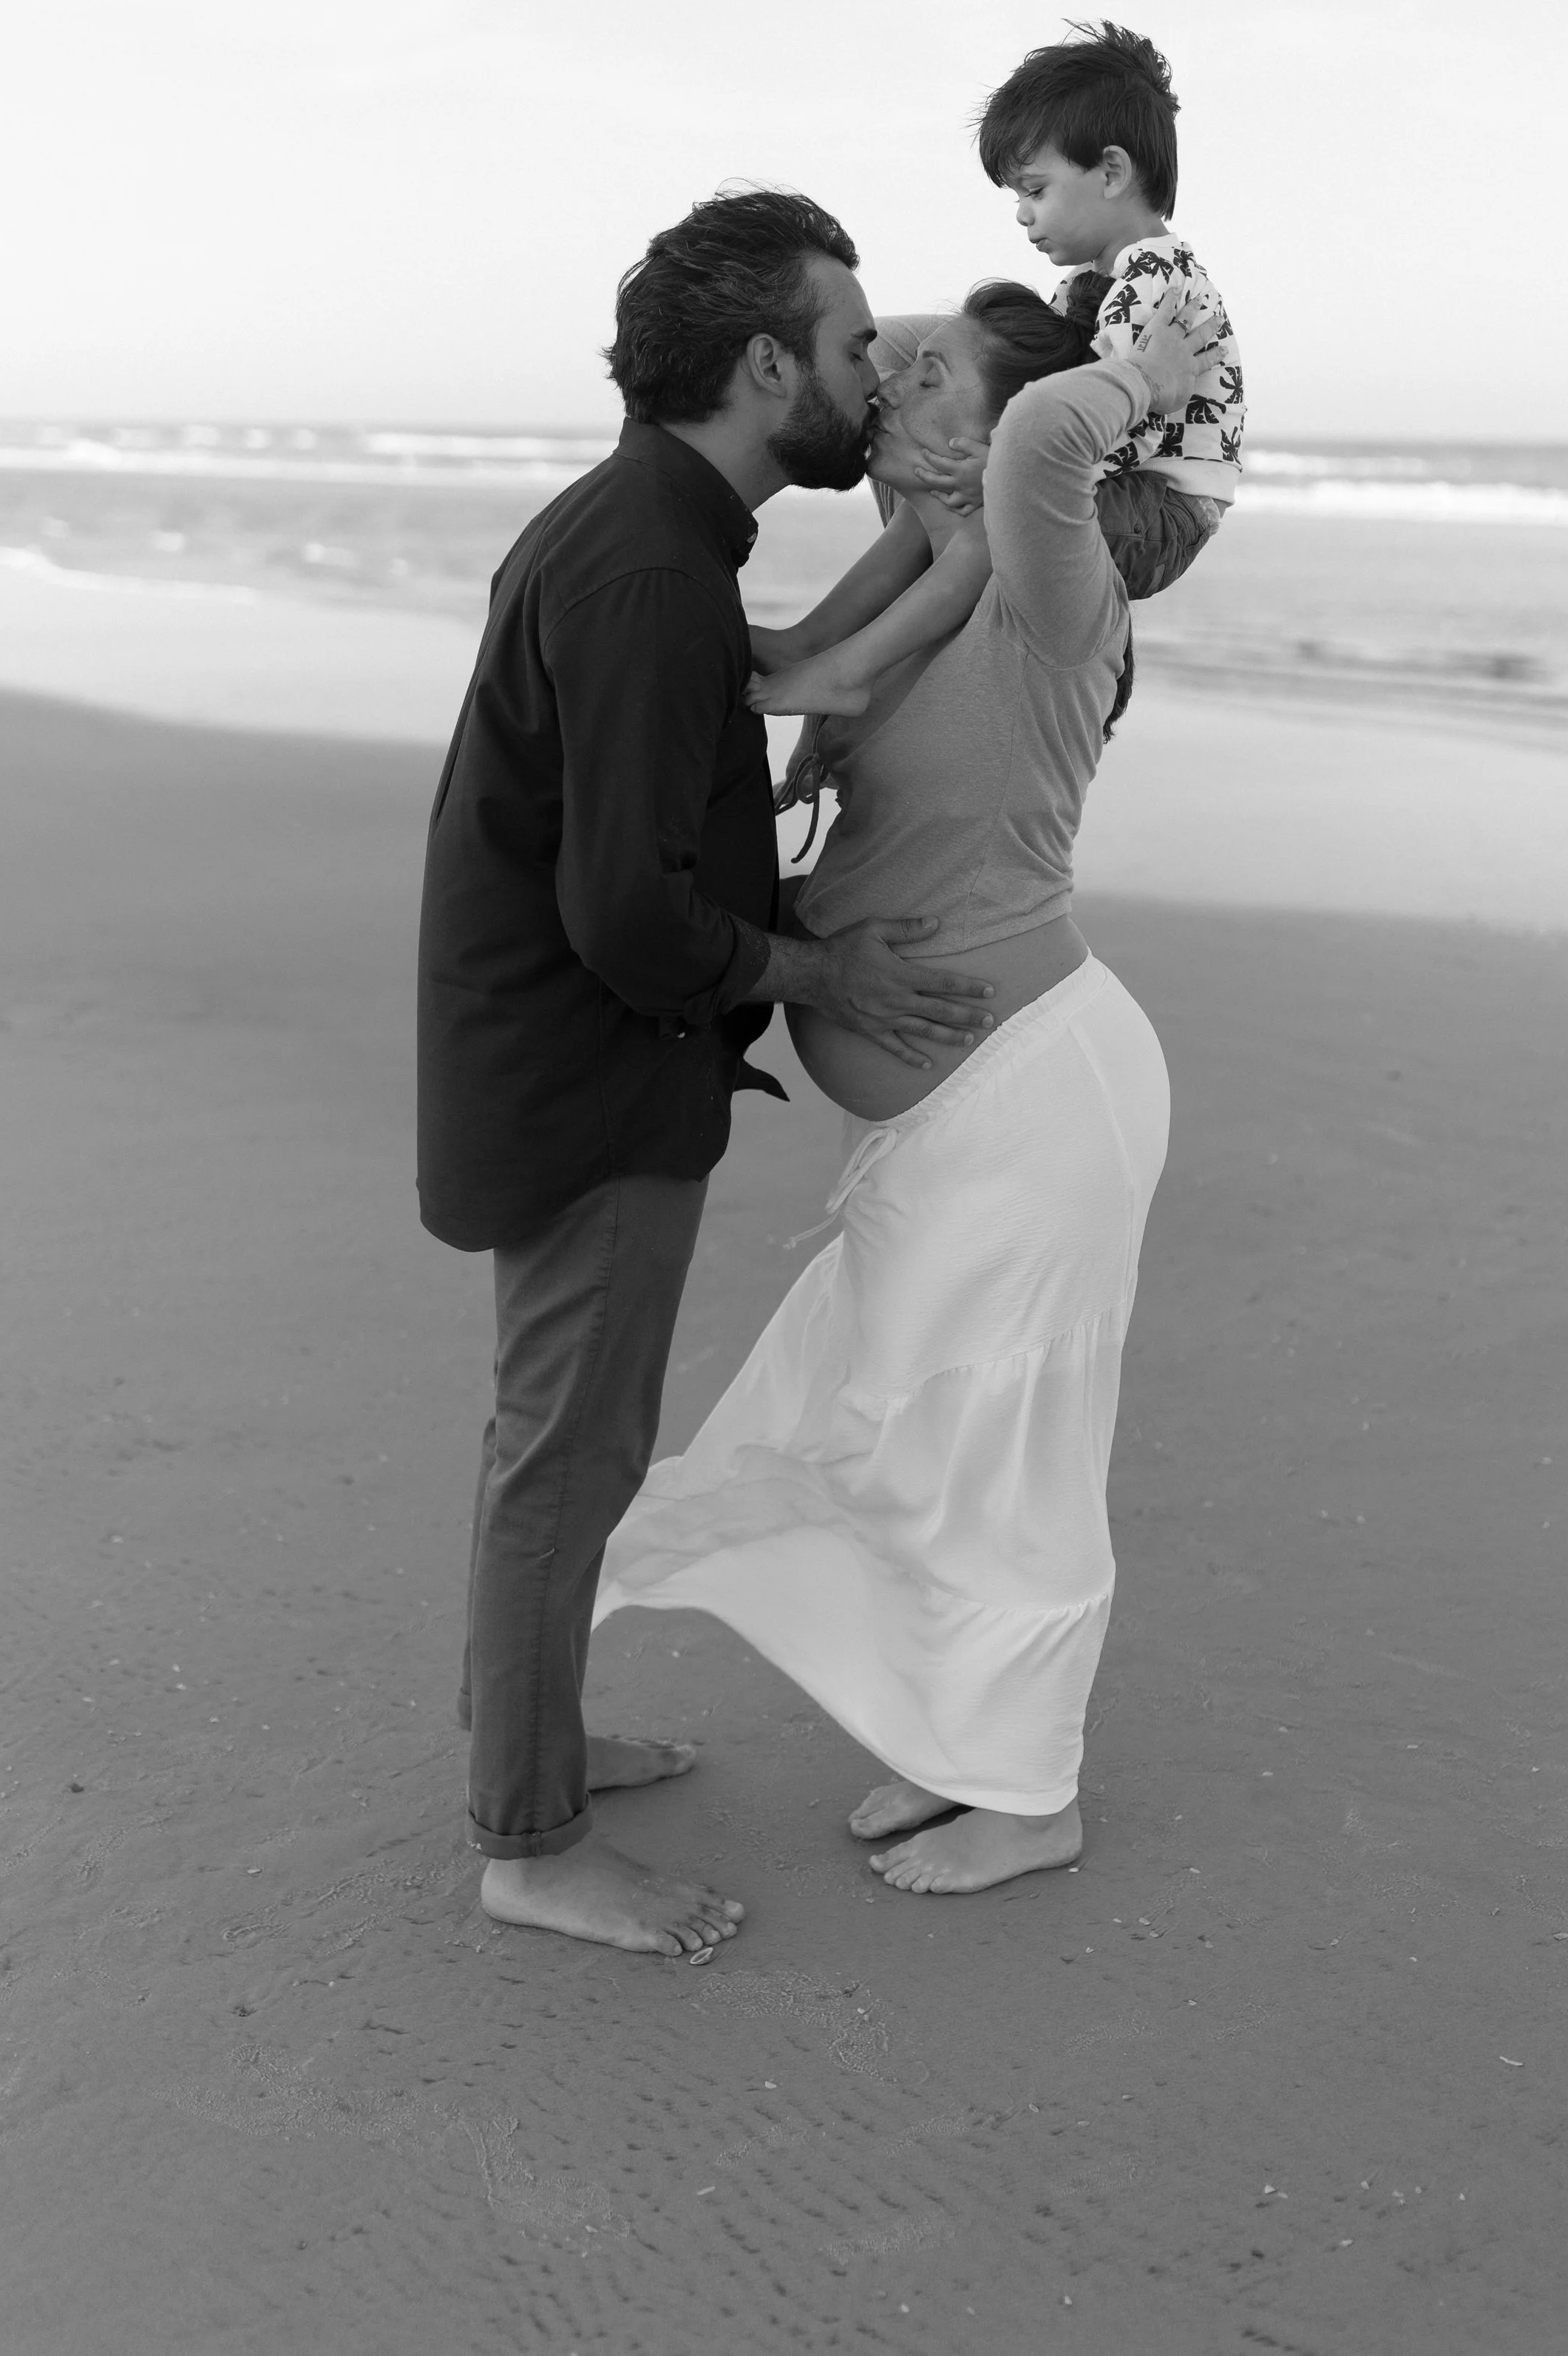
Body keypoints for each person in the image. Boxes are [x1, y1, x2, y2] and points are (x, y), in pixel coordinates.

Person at [415, 188, 1002, 1960]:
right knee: (568, 1454)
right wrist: (825, 963)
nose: (868, 373)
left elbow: (792, 677)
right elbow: (626, 912)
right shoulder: (644, 560)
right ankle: (530, 1837)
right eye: (847, 347)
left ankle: (529, 1735)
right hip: (588, 1078)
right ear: (764, 364)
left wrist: (938, 533)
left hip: (568, 1061)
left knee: (556, 1438)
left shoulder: (658, 536)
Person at [595, 280, 1222, 1898]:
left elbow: (1036, 453)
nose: (882, 373)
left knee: (1002, 1461)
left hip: (1032, 1098)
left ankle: (1032, 1795)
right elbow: (791, 663)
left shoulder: (1045, 581)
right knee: (907, 1452)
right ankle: (964, 1752)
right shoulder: (937, 579)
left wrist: (1144, 363)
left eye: (926, 368)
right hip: (967, 1119)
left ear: (998, 432)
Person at [743, 21, 1242, 728]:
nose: (1021, 214)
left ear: (1111, 171)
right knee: (941, 497)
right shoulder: (1090, 285)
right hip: (1128, 482)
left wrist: (1009, 472)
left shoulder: (1155, 278)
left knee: (986, 519)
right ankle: (813, 640)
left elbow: (1108, 421)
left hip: (1162, 509)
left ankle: (848, 670)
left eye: (1034, 189)